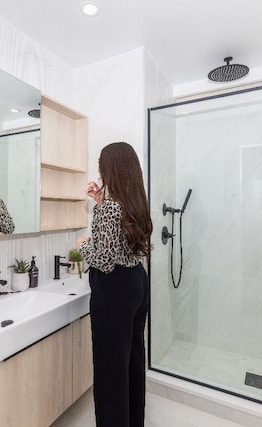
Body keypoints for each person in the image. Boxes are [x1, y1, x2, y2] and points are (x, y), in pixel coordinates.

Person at [77, 142, 153, 427]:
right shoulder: (133, 203)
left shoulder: (109, 209)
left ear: (111, 168)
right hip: (136, 283)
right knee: (131, 360)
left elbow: (105, 260)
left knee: (111, 370)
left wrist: (83, 246)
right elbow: (122, 244)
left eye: (101, 164)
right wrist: (99, 203)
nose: (98, 169)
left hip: (114, 288)